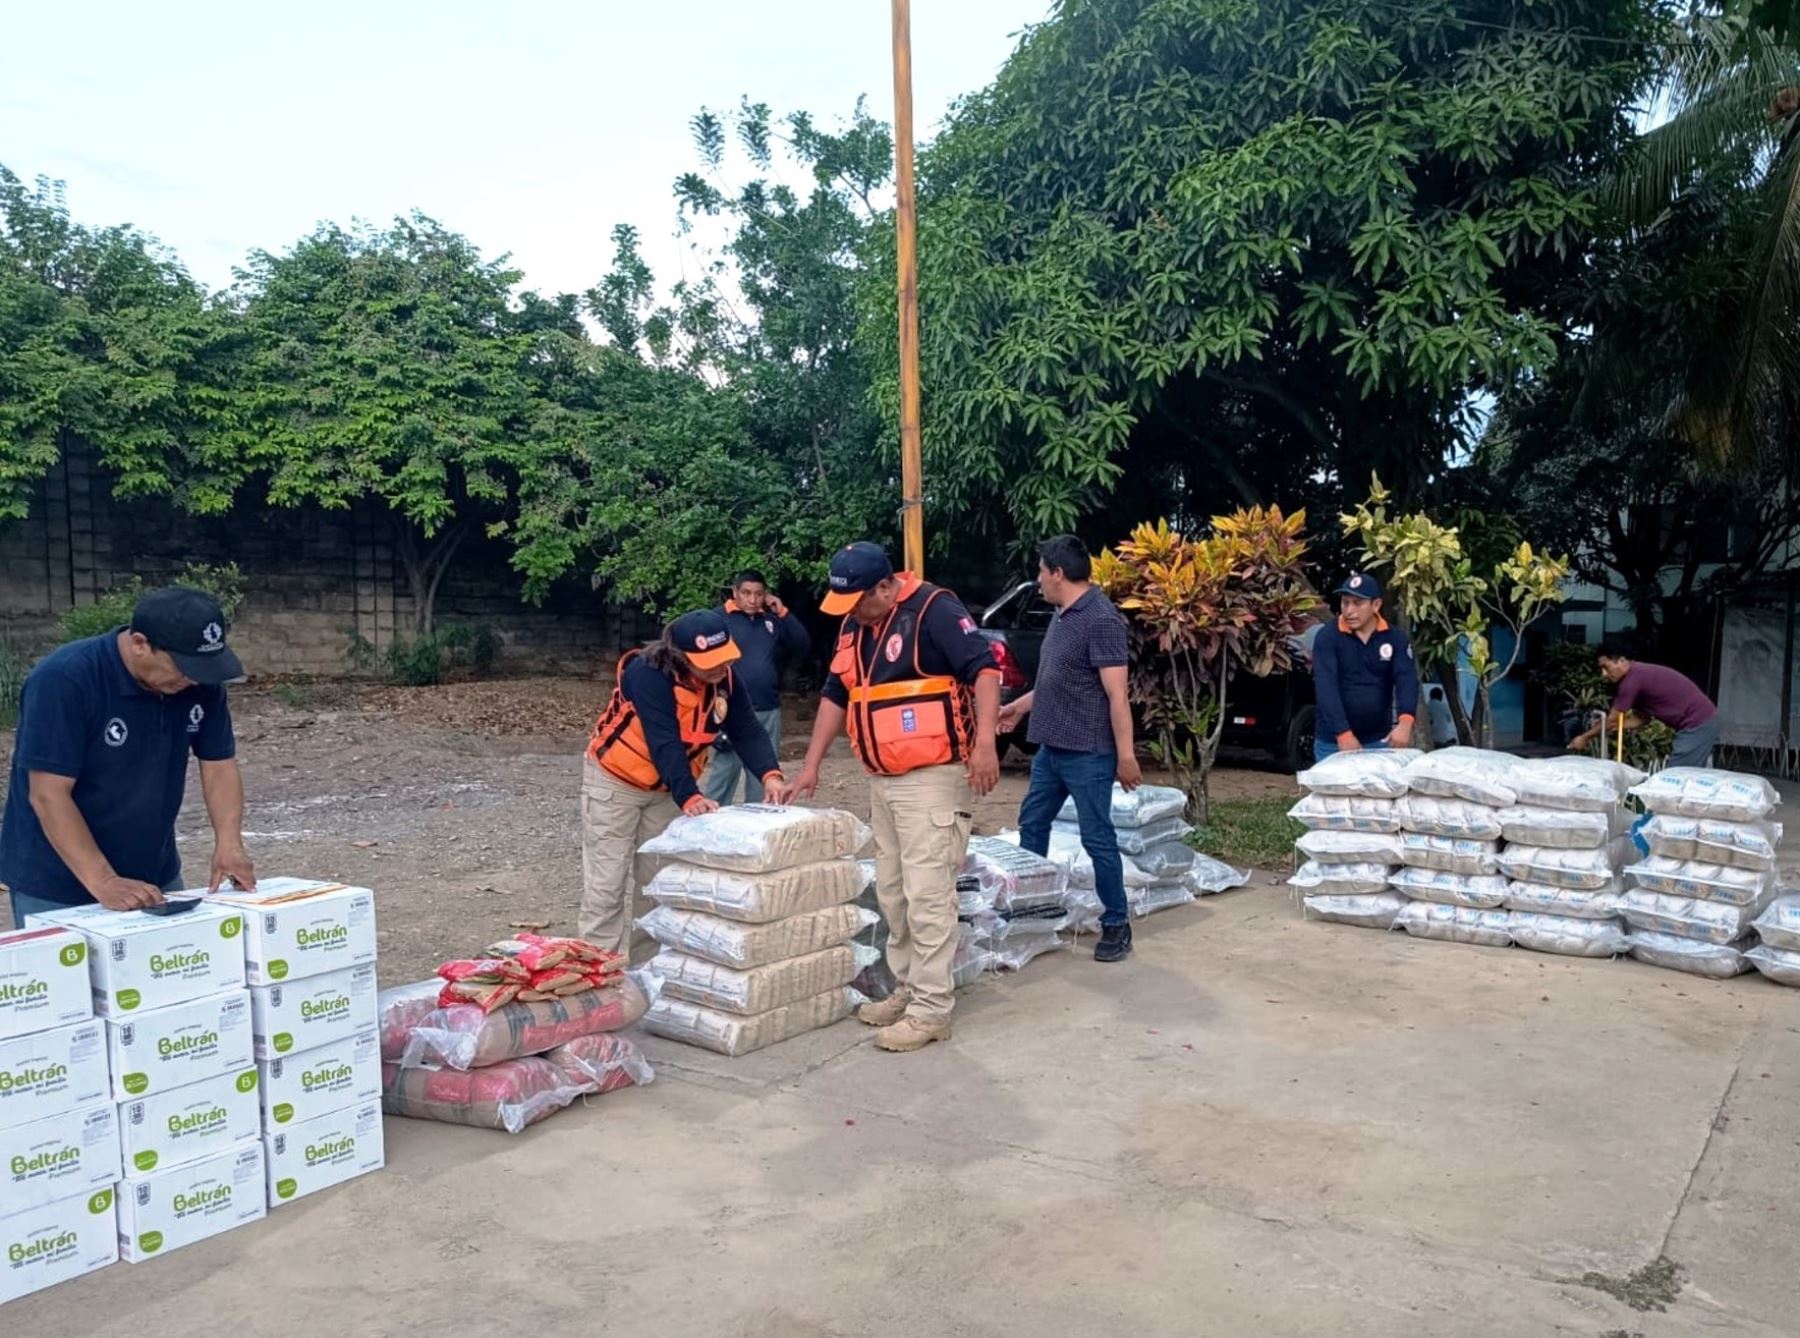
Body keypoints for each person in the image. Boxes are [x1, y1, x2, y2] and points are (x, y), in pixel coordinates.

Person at [790, 542, 1000, 1053]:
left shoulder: (934, 611)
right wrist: (812, 763)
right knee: (893, 892)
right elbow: (836, 696)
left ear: (886, 586)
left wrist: (987, 743)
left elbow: (986, 670)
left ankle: (932, 1009)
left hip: (933, 777)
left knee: (928, 897)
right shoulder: (854, 626)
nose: (853, 613)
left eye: (860, 601)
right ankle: (908, 988)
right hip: (882, 778)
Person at [1, 586, 255, 927]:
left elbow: (219, 764)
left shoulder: (199, 682)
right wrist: (103, 880)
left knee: (170, 970)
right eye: (183, 667)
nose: (194, 679)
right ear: (139, 644)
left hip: (153, 874)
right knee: (73, 979)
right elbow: (47, 794)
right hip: (56, 882)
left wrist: (229, 843)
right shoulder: (65, 679)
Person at [580, 609, 790, 955]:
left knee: (657, 886)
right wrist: (690, 797)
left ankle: (645, 977)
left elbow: (747, 730)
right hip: (615, 785)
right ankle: (597, 978)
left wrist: (770, 774)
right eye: (709, 662)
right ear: (679, 657)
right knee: (606, 888)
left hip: (664, 794)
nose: (720, 669)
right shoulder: (647, 674)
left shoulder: (725, 680)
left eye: (724, 660)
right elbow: (664, 742)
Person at [996, 536, 1141, 963]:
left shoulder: (1102, 620)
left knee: (1098, 839)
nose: (1038, 579)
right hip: (1052, 749)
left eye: (1042, 571)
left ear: (1058, 573)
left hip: (1089, 753)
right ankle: (1033, 911)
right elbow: (1057, 680)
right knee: (1032, 824)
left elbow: (1117, 694)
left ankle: (1117, 924)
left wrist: (1126, 755)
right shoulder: (1062, 616)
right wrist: (1018, 708)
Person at [699, 569, 812, 806]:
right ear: (735, 593)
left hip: (767, 708)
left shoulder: (770, 621)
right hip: (729, 709)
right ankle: (708, 824)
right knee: (724, 772)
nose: (752, 600)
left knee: (764, 773)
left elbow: (802, 643)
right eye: (747, 593)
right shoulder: (719, 620)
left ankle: (756, 826)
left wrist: (782, 612)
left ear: (766, 595)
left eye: (759, 594)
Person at [1311, 572, 1418, 763]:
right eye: (1345, 602)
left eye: (1357, 603)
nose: (1349, 610)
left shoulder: (1395, 638)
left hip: (1379, 741)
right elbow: (1326, 688)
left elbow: (1406, 679)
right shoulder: (1328, 637)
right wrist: (1343, 733)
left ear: (1376, 605)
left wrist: (1405, 722)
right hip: (1333, 742)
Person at [1570, 642, 1719, 769]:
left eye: (1606, 667)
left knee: (1677, 776)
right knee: (1687, 776)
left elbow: (1611, 720)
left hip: (1697, 723)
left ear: (1621, 661)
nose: (1603, 674)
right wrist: (1612, 727)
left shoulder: (1631, 681)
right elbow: (1642, 718)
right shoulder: (1638, 676)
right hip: (1701, 721)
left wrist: (1584, 738)